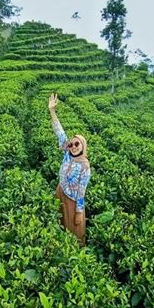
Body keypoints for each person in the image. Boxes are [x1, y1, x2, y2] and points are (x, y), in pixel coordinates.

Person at [49, 93, 91, 246]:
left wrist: (79, 212)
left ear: (83, 146)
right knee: (60, 225)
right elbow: (59, 132)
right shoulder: (67, 154)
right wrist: (52, 111)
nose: (73, 147)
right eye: (71, 144)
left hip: (73, 201)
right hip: (60, 192)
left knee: (74, 229)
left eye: (77, 144)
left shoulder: (84, 165)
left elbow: (82, 191)